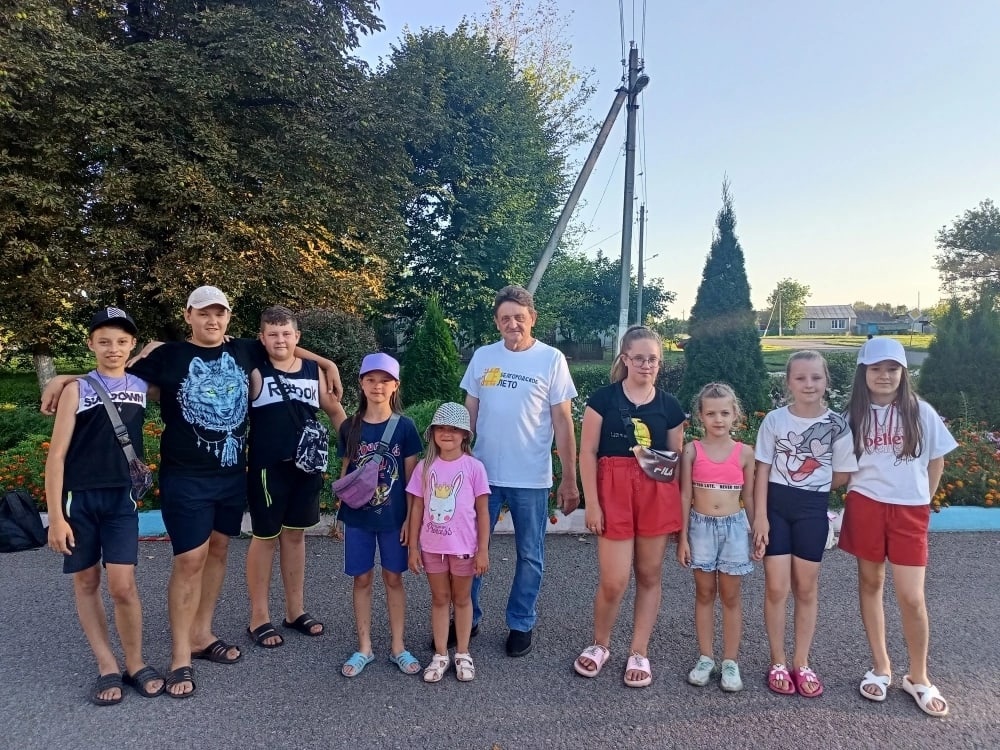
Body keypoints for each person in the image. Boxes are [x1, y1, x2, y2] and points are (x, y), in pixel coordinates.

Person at [44, 307, 164, 705]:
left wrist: (141, 355)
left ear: (131, 344)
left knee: (123, 586)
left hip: (121, 497)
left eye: (121, 341)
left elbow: (166, 349)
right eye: (104, 341)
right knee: (87, 581)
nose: (113, 348)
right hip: (79, 499)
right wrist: (56, 517)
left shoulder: (141, 384)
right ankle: (106, 664)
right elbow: (56, 456)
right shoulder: (76, 390)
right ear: (91, 344)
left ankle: (135, 662)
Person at [839, 338, 957, 717]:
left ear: (903, 373)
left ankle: (918, 676)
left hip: (909, 511)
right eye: (876, 368)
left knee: (912, 597)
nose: (884, 376)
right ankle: (881, 667)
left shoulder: (921, 412)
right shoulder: (852, 415)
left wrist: (922, 500)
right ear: (864, 372)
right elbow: (842, 467)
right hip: (865, 505)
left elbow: (936, 461)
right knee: (870, 584)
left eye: (892, 369)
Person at [461, 285, 579, 658]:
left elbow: (563, 422)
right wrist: (458, 461)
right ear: (497, 322)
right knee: (470, 549)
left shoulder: (551, 359)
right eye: (505, 318)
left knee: (530, 555)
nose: (512, 324)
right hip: (483, 475)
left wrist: (569, 477)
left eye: (519, 317)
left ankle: (520, 623)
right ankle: (467, 617)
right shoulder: (483, 356)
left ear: (532, 318)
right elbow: (469, 411)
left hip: (530, 477)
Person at [573, 326, 684, 687]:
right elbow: (587, 452)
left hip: (655, 495)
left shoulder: (670, 406)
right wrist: (592, 503)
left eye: (653, 359)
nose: (646, 365)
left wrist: (680, 514)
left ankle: (639, 651)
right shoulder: (602, 399)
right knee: (614, 580)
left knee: (649, 575)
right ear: (625, 358)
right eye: (639, 358)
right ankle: (600, 644)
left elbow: (675, 461)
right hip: (614, 492)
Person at [754, 350, 858, 698]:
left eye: (816, 377)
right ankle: (778, 660)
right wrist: (760, 517)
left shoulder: (838, 426)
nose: (808, 384)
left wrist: (812, 485)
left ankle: (801, 661)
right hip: (775, 510)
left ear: (826, 381)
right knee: (776, 588)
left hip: (812, 511)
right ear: (789, 382)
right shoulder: (774, 421)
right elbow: (762, 470)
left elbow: (843, 473)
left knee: (806, 588)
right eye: (800, 378)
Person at [245, 306, 346, 648]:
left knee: (295, 536)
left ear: (297, 336)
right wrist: (329, 361)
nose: (280, 340)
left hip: (306, 467)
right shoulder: (254, 369)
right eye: (272, 334)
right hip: (267, 468)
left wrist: (356, 451)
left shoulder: (312, 370)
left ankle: (295, 611)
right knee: (264, 538)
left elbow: (335, 411)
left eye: (286, 334)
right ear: (262, 337)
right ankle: (259, 617)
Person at [336, 352, 422, 678]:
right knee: (361, 579)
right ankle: (364, 647)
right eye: (371, 379)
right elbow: (346, 473)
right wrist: (339, 515)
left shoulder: (405, 427)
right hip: (358, 518)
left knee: (393, 578)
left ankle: (398, 646)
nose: (377, 386)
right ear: (361, 383)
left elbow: (413, 482)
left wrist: (411, 521)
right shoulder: (350, 427)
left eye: (385, 380)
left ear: (395, 385)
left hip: (393, 519)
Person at [678, 383, 760, 692]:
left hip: (734, 529)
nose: (718, 419)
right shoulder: (692, 451)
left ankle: (730, 661)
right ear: (700, 416)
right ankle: (705, 657)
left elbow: (749, 497)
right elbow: (685, 496)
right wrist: (682, 537)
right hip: (700, 529)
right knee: (704, 593)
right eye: (711, 413)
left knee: (731, 596)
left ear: (735, 414)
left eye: (725, 413)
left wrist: (757, 531)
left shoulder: (745, 453)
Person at [406, 402, 490, 683]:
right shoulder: (424, 467)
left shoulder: (474, 468)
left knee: (462, 599)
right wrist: (414, 548)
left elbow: (482, 512)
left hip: (464, 549)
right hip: (432, 548)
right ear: (432, 433)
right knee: (440, 598)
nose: (447, 433)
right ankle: (441, 654)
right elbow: (417, 508)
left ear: (465, 434)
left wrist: (483, 550)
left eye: (454, 429)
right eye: (441, 428)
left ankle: (463, 652)